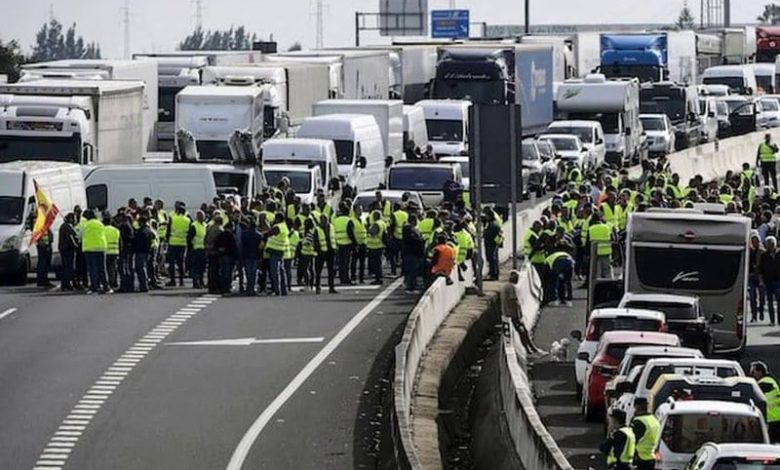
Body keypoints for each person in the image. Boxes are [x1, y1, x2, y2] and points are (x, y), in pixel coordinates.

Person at [500, 270, 547, 356]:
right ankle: (532, 350)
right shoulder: (511, 287)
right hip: (512, 315)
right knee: (523, 333)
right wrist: (519, 314)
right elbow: (514, 301)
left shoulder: (504, 287)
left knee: (522, 332)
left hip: (506, 314)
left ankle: (530, 350)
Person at [750, 361, 780, 443]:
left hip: (772, 419)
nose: (752, 375)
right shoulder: (770, 380)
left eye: (753, 372)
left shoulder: (765, 382)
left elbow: (754, 394)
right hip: (776, 418)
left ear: (760, 371)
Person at [81, 209, 110, 294]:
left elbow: (80, 235)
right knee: (102, 268)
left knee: (93, 269)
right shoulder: (100, 223)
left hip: (90, 248)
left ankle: (95, 287)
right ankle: (106, 286)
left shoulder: (86, 225)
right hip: (101, 247)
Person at [631, 401, 661, 470]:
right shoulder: (654, 419)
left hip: (640, 457)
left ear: (636, 407)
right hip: (652, 456)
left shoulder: (638, 422)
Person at [265, 213, 289, 296]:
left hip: (275, 251)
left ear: (278, 219)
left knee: (275, 272)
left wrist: (265, 230)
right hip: (280, 250)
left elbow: (269, 233)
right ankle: (283, 290)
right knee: (281, 272)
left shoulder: (278, 226)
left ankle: (276, 290)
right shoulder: (284, 226)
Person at [167, 204, 190, 287]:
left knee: (172, 262)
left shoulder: (172, 218)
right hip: (183, 243)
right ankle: (181, 281)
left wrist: (167, 240)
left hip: (173, 242)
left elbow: (168, 230)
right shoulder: (187, 220)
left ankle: (173, 280)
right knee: (181, 262)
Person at [333, 204, 356, 285]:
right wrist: (355, 243)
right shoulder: (349, 220)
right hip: (347, 243)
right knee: (346, 263)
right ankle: (345, 278)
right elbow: (351, 233)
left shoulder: (336, 220)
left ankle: (341, 277)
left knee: (340, 262)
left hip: (338, 243)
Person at [759, 236, 780, 325]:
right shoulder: (764, 255)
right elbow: (761, 268)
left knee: (779, 300)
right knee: (770, 301)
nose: (770, 246)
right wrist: (761, 280)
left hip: (778, 280)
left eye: (772, 244)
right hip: (768, 280)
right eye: (768, 244)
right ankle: (772, 320)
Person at [402, 214, 425, 294]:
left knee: (413, 270)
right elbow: (411, 240)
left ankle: (411, 285)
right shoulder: (408, 229)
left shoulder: (413, 229)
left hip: (414, 253)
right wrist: (420, 240)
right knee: (412, 270)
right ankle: (410, 288)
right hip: (411, 253)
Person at [240, 216, 263, 296]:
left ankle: (248, 289)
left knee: (248, 273)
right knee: (254, 274)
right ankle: (252, 289)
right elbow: (260, 248)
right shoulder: (259, 235)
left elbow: (242, 245)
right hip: (255, 256)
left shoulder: (244, 234)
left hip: (246, 255)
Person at [215, 221, 239, 295]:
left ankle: (222, 287)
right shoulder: (231, 236)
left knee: (222, 272)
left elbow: (216, 244)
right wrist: (236, 257)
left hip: (222, 256)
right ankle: (227, 288)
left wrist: (220, 250)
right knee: (228, 273)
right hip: (229, 256)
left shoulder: (220, 235)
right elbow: (234, 247)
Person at [315, 214, 337, 294]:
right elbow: (315, 242)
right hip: (321, 252)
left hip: (331, 251)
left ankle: (331, 287)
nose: (325, 221)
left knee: (331, 270)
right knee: (318, 271)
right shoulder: (317, 229)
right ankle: (318, 287)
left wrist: (335, 248)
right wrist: (318, 251)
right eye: (323, 220)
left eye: (326, 220)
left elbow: (334, 237)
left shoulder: (331, 227)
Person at [133, 215, 155, 292]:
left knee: (141, 268)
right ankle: (145, 284)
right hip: (147, 252)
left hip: (141, 252)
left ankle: (143, 285)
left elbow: (138, 242)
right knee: (143, 268)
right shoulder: (149, 231)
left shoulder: (141, 232)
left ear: (141, 222)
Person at [58, 213, 78, 291]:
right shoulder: (67, 227)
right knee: (68, 267)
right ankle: (67, 284)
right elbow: (71, 238)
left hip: (63, 249)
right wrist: (76, 245)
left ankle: (64, 284)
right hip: (68, 249)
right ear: (71, 218)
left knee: (65, 266)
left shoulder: (63, 226)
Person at [366, 210, 386, 285]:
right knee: (378, 263)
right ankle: (378, 277)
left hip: (375, 246)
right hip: (379, 245)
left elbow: (372, 232)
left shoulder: (376, 224)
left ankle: (378, 278)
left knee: (376, 264)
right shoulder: (382, 223)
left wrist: (368, 228)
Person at [188, 210, 207, 289]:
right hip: (196, 249)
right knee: (196, 267)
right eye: (200, 216)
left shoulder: (205, 225)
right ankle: (196, 282)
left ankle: (201, 281)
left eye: (202, 216)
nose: (201, 217)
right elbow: (189, 238)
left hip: (204, 249)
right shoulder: (194, 225)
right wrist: (191, 249)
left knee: (202, 267)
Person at [205, 215, 224, 294]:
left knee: (211, 270)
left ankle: (211, 286)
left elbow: (206, 237)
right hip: (216, 251)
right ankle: (216, 286)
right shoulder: (220, 229)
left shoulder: (210, 227)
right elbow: (220, 240)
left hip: (209, 250)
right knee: (216, 270)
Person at [750, 232, 766, 322]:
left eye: (756, 241)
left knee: (762, 297)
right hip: (751, 277)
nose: (755, 243)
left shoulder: (762, 251)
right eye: (753, 241)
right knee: (752, 297)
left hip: (761, 277)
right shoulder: (750, 251)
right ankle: (754, 315)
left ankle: (761, 310)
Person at [350, 205, 367, 284]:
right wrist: (355, 244)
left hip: (363, 243)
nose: (360, 211)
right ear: (355, 210)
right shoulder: (352, 220)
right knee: (354, 262)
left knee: (362, 263)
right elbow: (350, 233)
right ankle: (353, 277)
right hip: (356, 244)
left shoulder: (362, 220)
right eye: (359, 209)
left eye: (361, 209)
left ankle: (361, 278)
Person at [103, 213, 120, 290]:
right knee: (113, 268)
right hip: (115, 251)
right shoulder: (116, 230)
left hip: (106, 252)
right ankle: (113, 282)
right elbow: (120, 241)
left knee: (105, 268)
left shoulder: (102, 230)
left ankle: (107, 283)